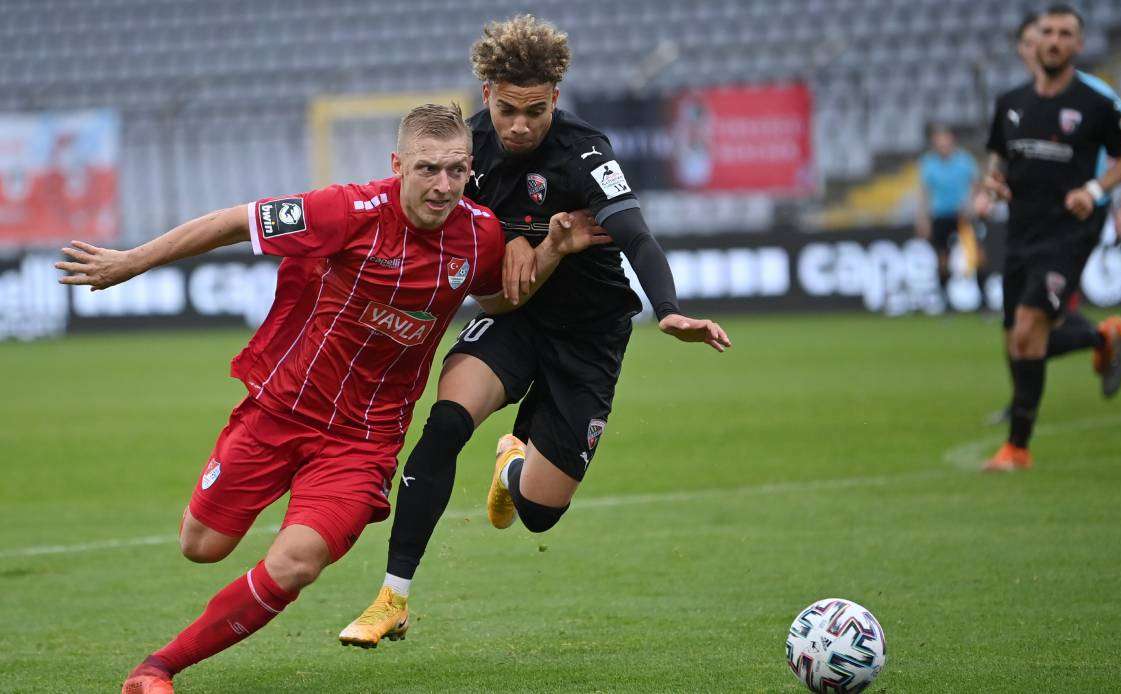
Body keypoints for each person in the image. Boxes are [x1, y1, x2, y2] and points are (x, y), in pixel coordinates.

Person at [56, 104, 600, 693]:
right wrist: (130, 262)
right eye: (427, 170)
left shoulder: (479, 232)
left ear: (470, 169)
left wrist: (549, 252)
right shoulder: (345, 209)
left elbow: (497, 302)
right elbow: (234, 221)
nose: (443, 186)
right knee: (202, 545)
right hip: (280, 410)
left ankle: (158, 668)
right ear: (397, 165)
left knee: (295, 563)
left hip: (364, 442)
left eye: (456, 170)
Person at [338, 15, 730, 648]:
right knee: (443, 427)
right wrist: (524, 242)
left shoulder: (586, 152)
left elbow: (633, 230)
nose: (520, 125)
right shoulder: (464, 152)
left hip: (589, 335)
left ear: (558, 95)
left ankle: (513, 462)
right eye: (507, 109)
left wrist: (668, 308)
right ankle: (392, 597)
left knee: (540, 513)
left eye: (536, 110)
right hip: (511, 318)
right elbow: (438, 230)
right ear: (486, 92)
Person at [976, 4, 1121, 472]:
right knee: (1018, 341)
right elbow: (997, 158)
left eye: (1064, 33)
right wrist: (994, 183)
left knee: (1029, 330)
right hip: (1022, 231)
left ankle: (1017, 448)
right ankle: (1099, 336)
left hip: (1068, 233)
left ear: (1078, 44)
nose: (1053, 40)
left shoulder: (1096, 103)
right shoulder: (1011, 102)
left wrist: (1097, 191)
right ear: (1034, 42)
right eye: (1046, 32)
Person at [916, 124, 979, 304]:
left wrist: (971, 205)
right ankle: (944, 299)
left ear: (952, 140)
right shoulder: (929, 163)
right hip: (940, 216)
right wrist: (922, 219)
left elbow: (975, 186)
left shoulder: (965, 160)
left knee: (976, 255)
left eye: (945, 141)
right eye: (939, 142)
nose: (942, 145)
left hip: (963, 216)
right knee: (942, 259)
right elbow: (924, 193)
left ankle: (983, 299)